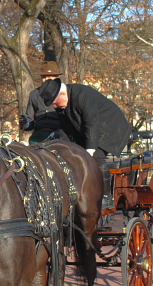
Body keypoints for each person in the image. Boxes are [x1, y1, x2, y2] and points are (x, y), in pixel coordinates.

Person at [37, 76, 131, 207]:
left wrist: (90, 150)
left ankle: (106, 197)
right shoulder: (61, 105)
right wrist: (64, 149)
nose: (54, 106)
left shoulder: (83, 95)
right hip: (88, 129)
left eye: (55, 103)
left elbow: (91, 122)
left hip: (110, 127)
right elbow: (64, 129)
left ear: (63, 94)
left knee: (96, 157)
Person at [19, 61, 66, 144]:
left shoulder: (63, 93)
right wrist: (25, 123)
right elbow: (30, 123)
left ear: (56, 77)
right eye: (43, 77)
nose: (45, 80)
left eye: (48, 77)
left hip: (59, 135)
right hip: (38, 137)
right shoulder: (34, 94)